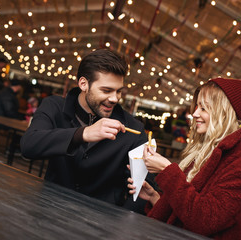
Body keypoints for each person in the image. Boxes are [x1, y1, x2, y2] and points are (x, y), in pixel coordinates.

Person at [128, 78, 241, 239]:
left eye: (204, 108)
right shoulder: (205, 149)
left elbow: (206, 220)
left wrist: (167, 171)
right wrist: (154, 197)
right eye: (197, 106)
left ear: (223, 113)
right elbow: (186, 211)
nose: (195, 113)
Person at [20, 49, 150, 213]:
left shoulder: (134, 129)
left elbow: (142, 189)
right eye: (106, 90)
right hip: (50, 211)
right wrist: (83, 134)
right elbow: (29, 145)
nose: (115, 99)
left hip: (102, 224)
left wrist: (120, 226)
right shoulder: (54, 106)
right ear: (83, 84)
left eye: (119, 91)